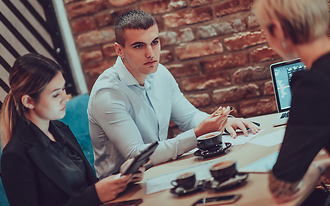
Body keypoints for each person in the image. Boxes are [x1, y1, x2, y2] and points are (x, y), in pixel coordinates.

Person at [88, 10, 260, 179]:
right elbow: (136, 154)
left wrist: (220, 122)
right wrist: (198, 133)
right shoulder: (107, 93)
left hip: (160, 172)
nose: (151, 53)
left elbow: (189, 117)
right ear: (119, 50)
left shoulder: (160, 72)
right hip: (121, 192)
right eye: (139, 46)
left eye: (154, 42)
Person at [0, 53, 144, 206]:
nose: (65, 97)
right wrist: (95, 195)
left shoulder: (60, 130)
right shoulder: (15, 156)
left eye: (63, 88)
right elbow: (89, 195)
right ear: (28, 101)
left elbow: (88, 187)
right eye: (55, 94)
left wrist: (122, 178)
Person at [253, 0, 330, 204]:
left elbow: (282, 186)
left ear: (279, 30)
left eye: (265, 29)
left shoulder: (315, 86)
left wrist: (316, 170)